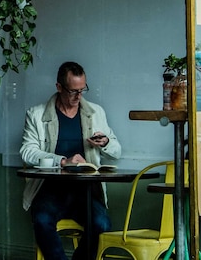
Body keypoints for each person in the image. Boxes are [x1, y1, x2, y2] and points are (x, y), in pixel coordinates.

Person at [19, 61, 122, 260]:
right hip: (50, 190)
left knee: (102, 224)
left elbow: (116, 152)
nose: (78, 96)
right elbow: (27, 151)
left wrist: (106, 142)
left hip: (86, 191)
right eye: (73, 91)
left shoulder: (96, 113)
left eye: (82, 90)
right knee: (41, 220)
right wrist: (62, 161)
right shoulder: (37, 114)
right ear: (59, 87)